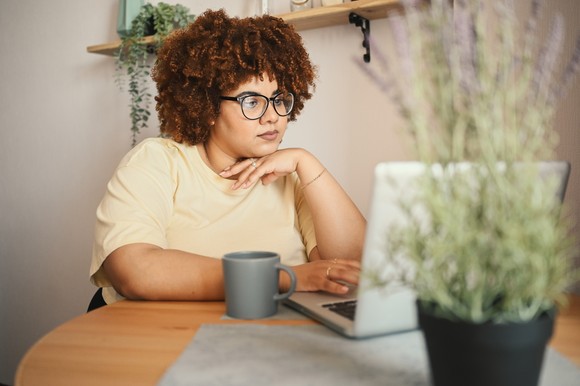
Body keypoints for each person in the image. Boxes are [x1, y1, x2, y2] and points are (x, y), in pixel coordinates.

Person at [89, 9, 366, 307]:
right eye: (251, 101)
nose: (272, 117)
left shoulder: (292, 178)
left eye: (280, 98)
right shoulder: (156, 162)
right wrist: (287, 276)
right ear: (206, 106)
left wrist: (307, 162)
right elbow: (135, 270)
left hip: (269, 337)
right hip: (165, 340)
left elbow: (349, 270)